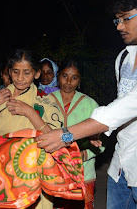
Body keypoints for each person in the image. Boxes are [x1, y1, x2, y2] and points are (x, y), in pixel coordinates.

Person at [36, 0, 137, 208]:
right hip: (120, 167)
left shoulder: (87, 102)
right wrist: (98, 132)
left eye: (126, 18)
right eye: (116, 20)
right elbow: (120, 110)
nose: (119, 26)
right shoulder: (123, 59)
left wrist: (67, 134)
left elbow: (129, 105)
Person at [0, 48, 65, 209]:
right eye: (16, 72)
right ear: (9, 72)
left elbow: (55, 138)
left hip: (34, 177)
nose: (20, 78)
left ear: (36, 74)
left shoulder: (45, 102)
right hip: (1, 177)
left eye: (27, 73)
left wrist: (30, 113)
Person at [49, 60, 104, 209]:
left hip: (83, 173)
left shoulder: (90, 105)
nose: (68, 82)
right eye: (64, 76)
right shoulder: (46, 102)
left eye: (74, 77)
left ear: (80, 80)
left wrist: (83, 155)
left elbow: (101, 142)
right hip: (53, 172)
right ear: (58, 76)